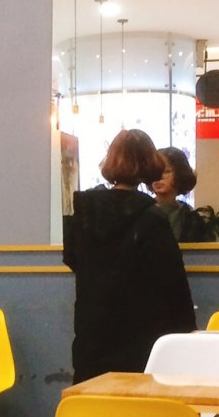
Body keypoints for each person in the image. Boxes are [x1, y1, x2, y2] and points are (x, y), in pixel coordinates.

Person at [63, 128, 196, 382]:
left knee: (92, 401)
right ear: (149, 164)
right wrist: (187, 334)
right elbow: (172, 283)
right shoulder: (152, 218)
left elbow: (72, 259)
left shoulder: (84, 214)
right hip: (139, 338)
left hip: (92, 335)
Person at [152, 147, 208, 243]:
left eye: (166, 171)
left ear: (180, 174)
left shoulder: (192, 219)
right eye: (155, 171)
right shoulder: (140, 213)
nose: (159, 177)